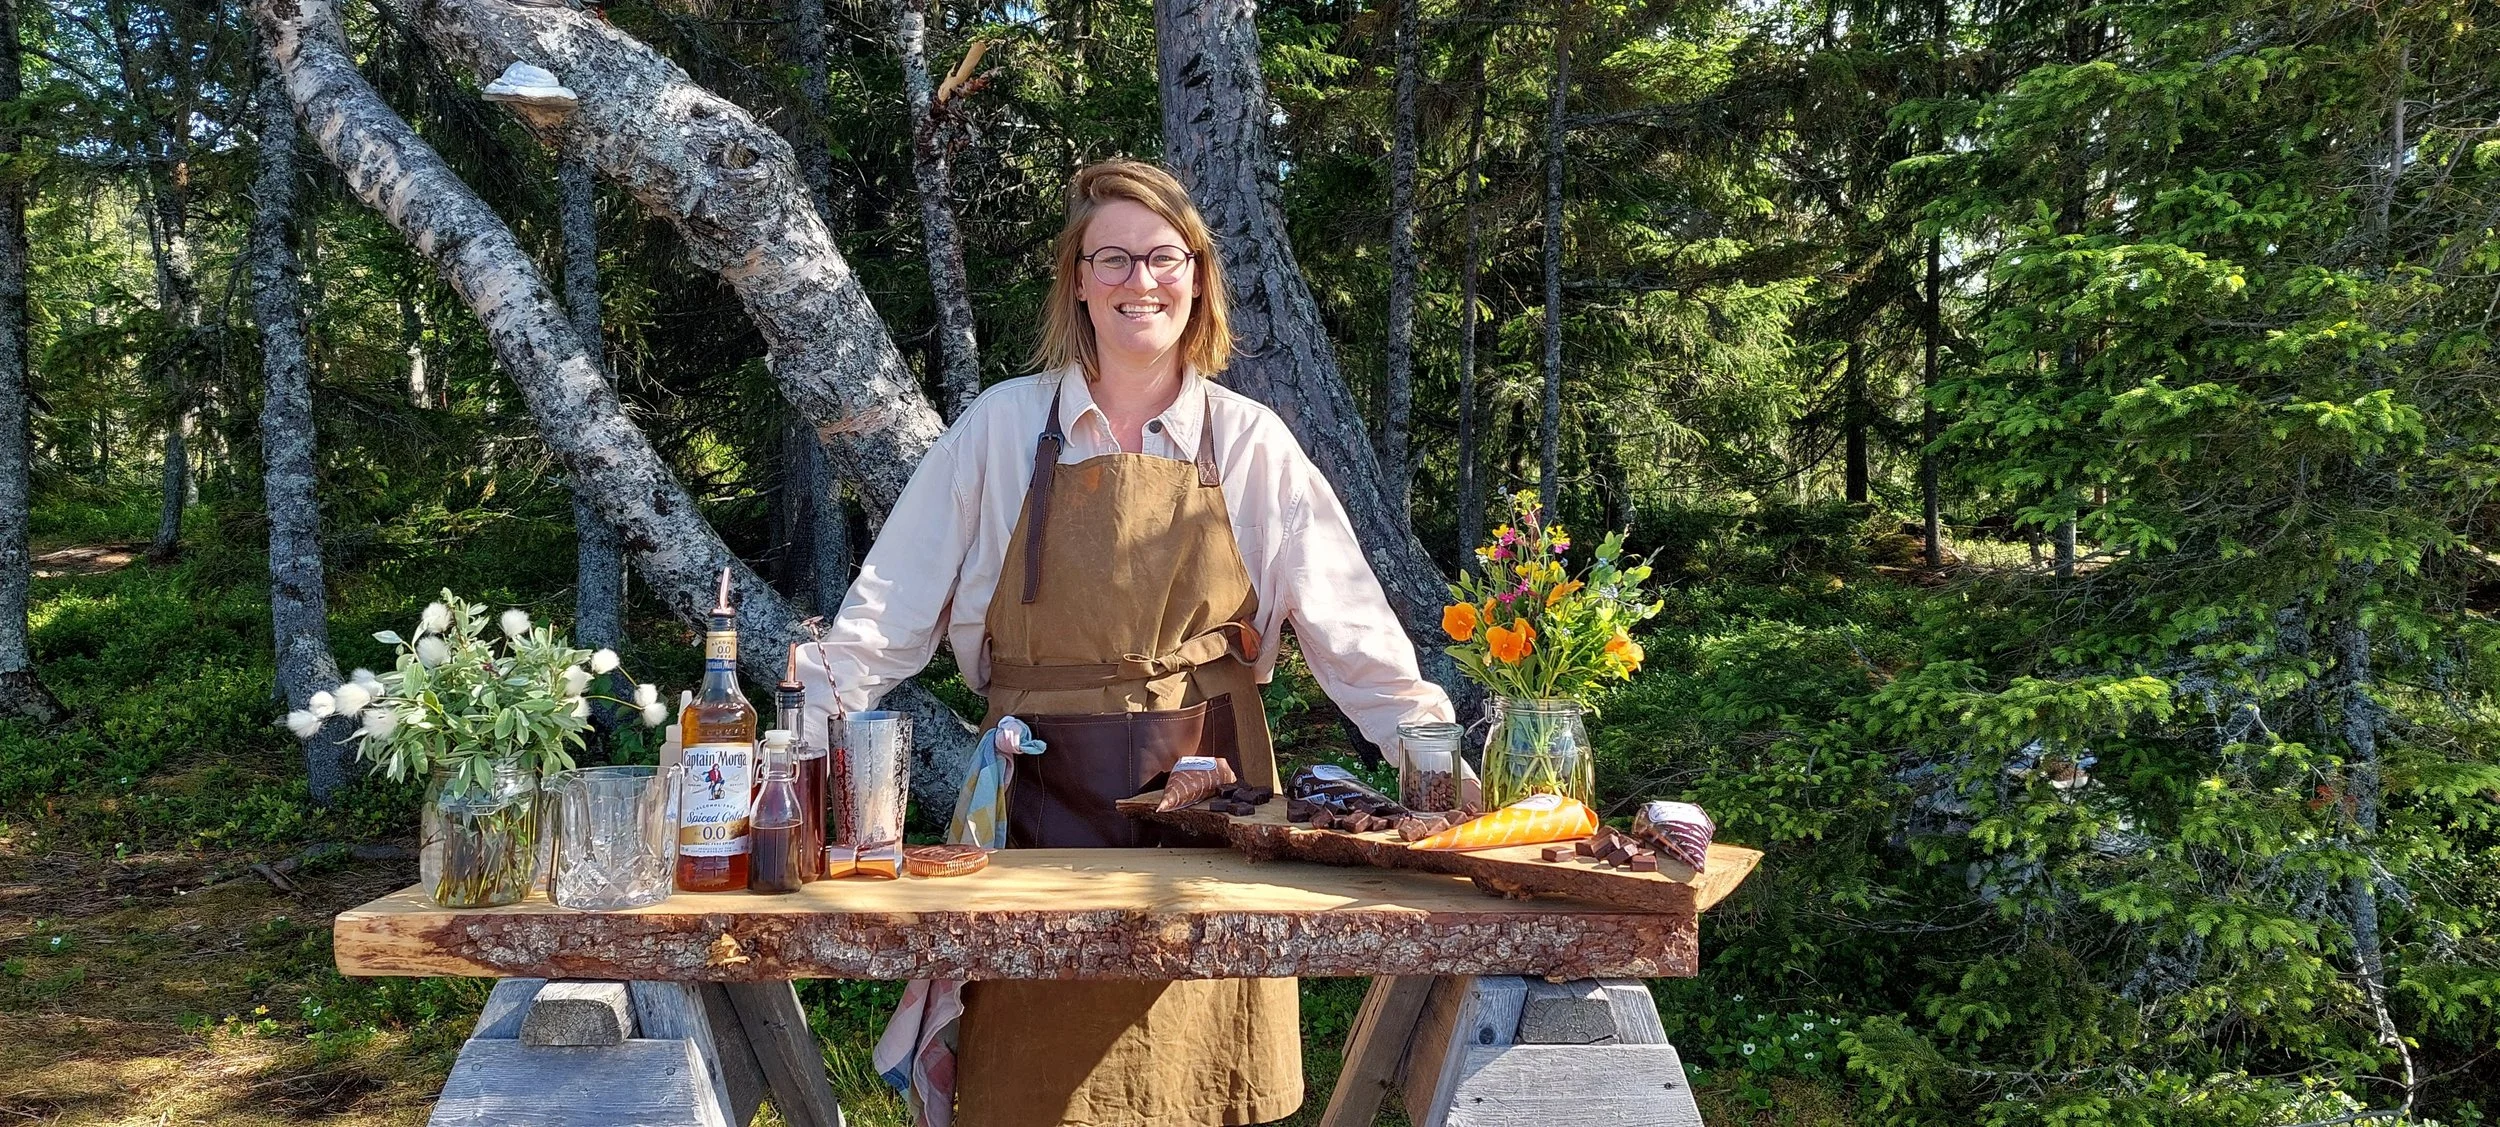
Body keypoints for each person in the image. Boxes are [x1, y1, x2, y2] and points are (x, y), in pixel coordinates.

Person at [804, 158, 1454, 1127]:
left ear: (1195, 276)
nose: (1138, 281)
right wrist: (799, 734)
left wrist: (1427, 750)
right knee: (1030, 1072)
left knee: (1200, 1075)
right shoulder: (1003, 423)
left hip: (1215, 790)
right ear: (1077, 279)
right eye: (1112, 259)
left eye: (1162, 258)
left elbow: (1344, 616)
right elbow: (890, 605)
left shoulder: (1246, 437)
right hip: (1033, 788)